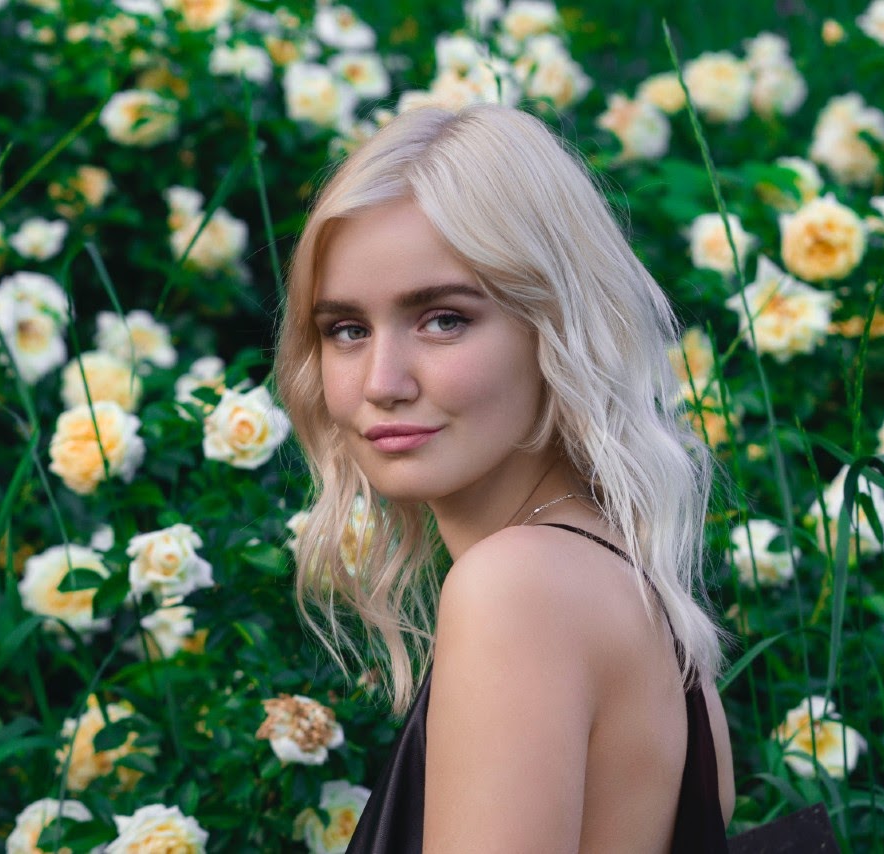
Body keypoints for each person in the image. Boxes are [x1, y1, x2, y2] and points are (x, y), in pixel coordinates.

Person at [274, 104, 735, 852]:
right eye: (347, 330)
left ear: (556, 325)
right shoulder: (632, 594)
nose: (382, 382)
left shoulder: (517, 591)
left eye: (443, 320)